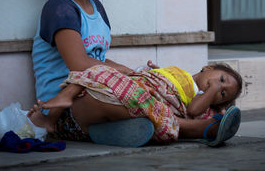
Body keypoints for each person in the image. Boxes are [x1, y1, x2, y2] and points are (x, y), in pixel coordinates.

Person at [30, 0, 150, 145]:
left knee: (148, 90)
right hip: (66, 108)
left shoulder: (97, 8)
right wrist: (122, 72)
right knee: (134, 101)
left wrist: (133, 74)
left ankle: (100, 131)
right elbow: (79, 63)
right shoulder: (59, 8)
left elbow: (99, 61)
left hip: (94, 91)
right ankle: (193, 128)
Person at [29, 62, 243, 146]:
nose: (217, 86)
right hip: (83, 110)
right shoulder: (180, 73)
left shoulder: (199, 99)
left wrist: (212, 91)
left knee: (144, 103)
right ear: (208, 67)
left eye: (222, 93)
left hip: (129, 105)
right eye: (221, 79)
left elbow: (194, 109)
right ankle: (203, 129)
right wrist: (154, 74)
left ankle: (206, 127)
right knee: (103, 70)